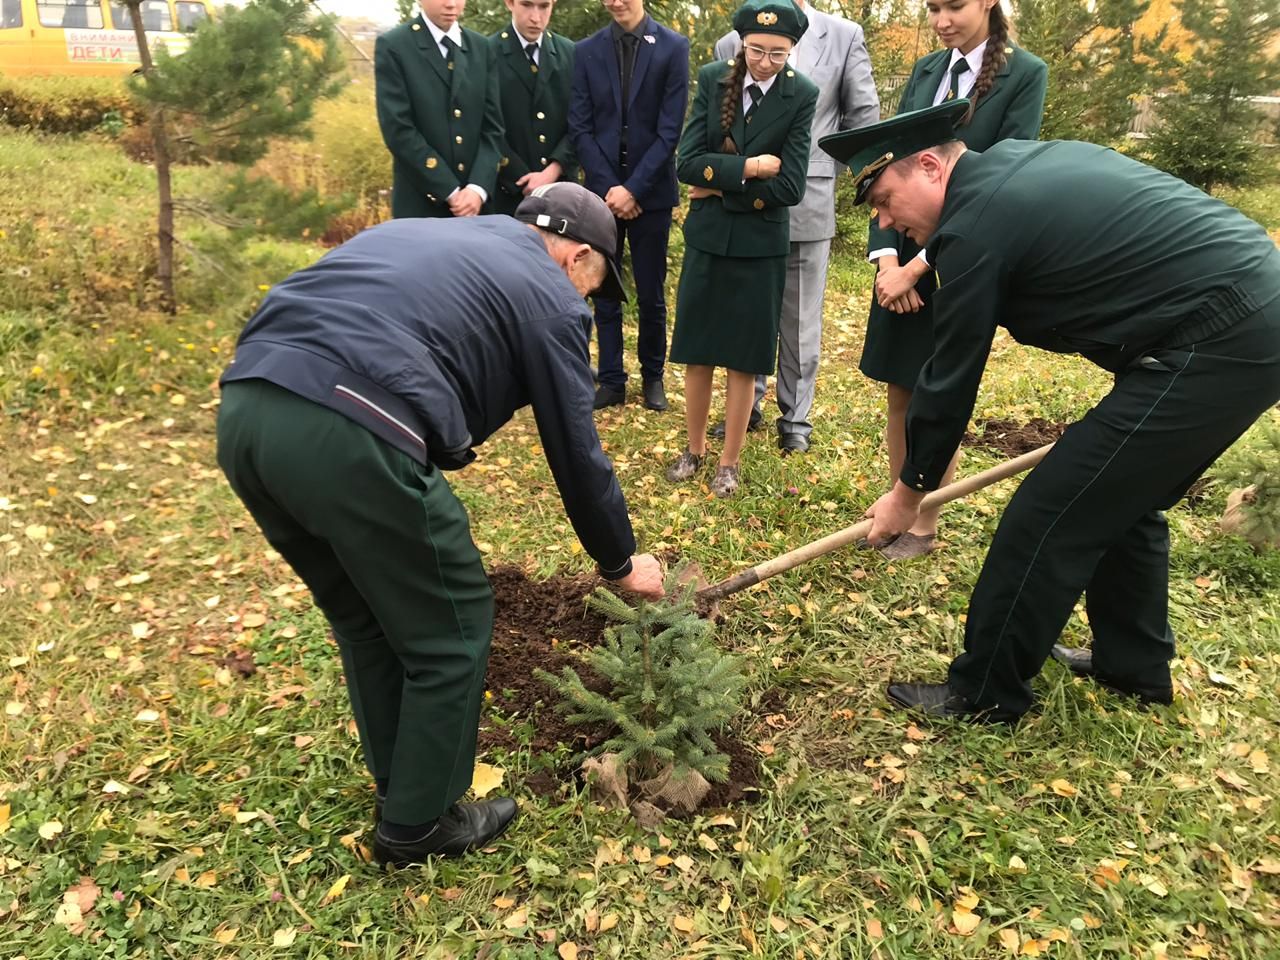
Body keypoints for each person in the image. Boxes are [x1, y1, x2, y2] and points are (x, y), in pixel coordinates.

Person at [215, 183, 665, 864]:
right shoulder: (547, 293)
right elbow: (576, 449)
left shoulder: (442, 236)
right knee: (452, 623)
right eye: (595, 290)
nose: (586, 307)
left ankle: (403, 785)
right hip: (346, 427)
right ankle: (420, 826)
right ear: (575, 258)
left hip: (248, 407)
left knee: (368, 615)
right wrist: (621, 562)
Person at [820, 101, 1280, 723]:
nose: (886, 221)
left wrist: (911, 491)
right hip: (1238, 317)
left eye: (883, 200)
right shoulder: (1007, 172)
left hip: (1221, 340)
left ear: (929, 166)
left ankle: (985, 692)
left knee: (1049, 513)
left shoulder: (977, 225)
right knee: (1121, 498)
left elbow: (951, 375)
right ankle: (1133, 664)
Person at [860, 0, 1046, 558]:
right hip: (901, 255)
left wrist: (922, 266)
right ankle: (901, 502)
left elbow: (1008, 178)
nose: (942, 19)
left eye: (954, 5)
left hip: (961, 261)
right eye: (933, 7)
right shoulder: (924, 70)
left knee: (937, 390)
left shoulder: (1024, 74)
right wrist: (888, 261)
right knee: (900, 391)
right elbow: (890, 166)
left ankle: (923, 523)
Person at [711, 0, 879, 455]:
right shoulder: (732, 40)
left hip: (809, 196)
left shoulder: (844, 36)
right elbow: (717, 124)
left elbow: (863, 119)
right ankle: (749, 403)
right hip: (744, 203)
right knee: (747, 307)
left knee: (801, 315)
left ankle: (796, 417)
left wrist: (836, 172)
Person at [665, 0, 818, 497]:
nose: (764, 62)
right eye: (755, 50)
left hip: (760, 246)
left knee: (744, 358)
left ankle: (728, 461)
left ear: (792, 49)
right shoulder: (714, 79)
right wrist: (750, 170)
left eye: (777, 54)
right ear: (741, 43)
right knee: (699, 350)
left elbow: (792, 186)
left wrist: (718, 184)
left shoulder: (802, 94)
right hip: (709, 240)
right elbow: (686, 163)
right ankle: (693, 449)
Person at [569, 0, 690, 412]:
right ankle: (612, 378)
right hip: (602, 195)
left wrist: (634, 189)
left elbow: (670, 129)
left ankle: (652, 376)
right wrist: (611, 190)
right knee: (602, 288)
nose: (616, 2)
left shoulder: (673, 47)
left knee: (652, 291)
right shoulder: (585, 51)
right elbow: (581, 128)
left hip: (650, 195)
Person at [375, 0, 505, 219]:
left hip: (477, 208)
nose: (451, 4)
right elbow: (398, 129)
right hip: (421, 205)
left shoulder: (481, 48)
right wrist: (450, 191)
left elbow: (493, 129)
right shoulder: (395, 46)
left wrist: (477, 188)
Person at [488, 0, 577, 215]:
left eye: (544, 6)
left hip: (561, 194)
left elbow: (581, 121)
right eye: (527, 5)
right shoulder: (487, 53)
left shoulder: (571, 53)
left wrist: (553, 171)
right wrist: (519, 176)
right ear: (510, 3)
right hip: (506, 194)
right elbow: (485, 125)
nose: (536, 18)